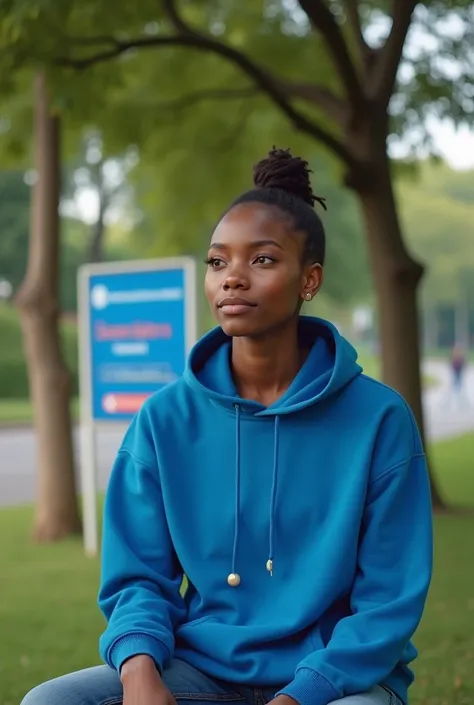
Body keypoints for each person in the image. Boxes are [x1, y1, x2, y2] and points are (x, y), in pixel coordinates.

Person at [22, 148, 433, 705]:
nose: (233, 279)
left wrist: (299, 696)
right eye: (218, 262)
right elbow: (138, 577)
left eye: (262, 260)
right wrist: (140, 674)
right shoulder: (163, 420)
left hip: (336, 682)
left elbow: (387, 603)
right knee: (50, 701)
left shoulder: (379, 420)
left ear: (309, 280)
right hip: (203, 671)